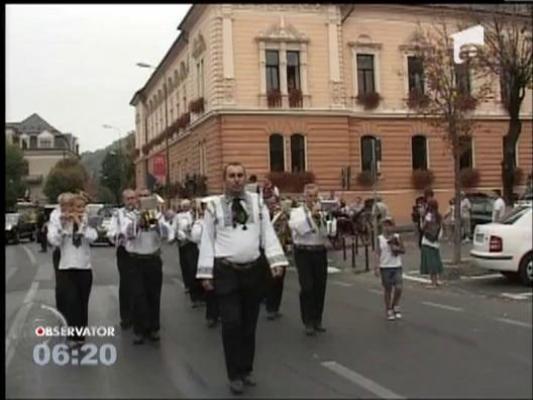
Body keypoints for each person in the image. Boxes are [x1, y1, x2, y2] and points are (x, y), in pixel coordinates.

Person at [196, 162, 288, 395]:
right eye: (232, 176)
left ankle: (246, 369)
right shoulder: (213, 207)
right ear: (224, 179)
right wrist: (205, 273)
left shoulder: (257, 204)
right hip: (226, 271)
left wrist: (276, 261)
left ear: (245, 179)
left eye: (240, 175)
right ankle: (234, 374)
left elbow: (267, 233)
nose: (236, 179)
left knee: (249, 323)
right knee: (231, 323)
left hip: (253, 270)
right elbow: (207, 239)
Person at [122, 189, 174, 345]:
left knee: (153, 295)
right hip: (135, 260)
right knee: (138, 295)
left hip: (153, 259)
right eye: (141, 196)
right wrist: (138, 223)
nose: (143, 199)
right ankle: (139, 330)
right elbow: (126, 235)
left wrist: (157, 224)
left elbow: (167, 235)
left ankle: (153, 328)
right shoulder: (129, 216)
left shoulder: (157, 215)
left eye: (146, 196)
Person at [47, 192, 97, 348]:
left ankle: (80, 336)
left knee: (82, 303)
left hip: (84, 267)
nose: (68, 210)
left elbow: (93, 237)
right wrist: (63, 227)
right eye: (65, 206)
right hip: (66, 267)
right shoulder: (57, 219)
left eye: (72, 206)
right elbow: (53, 240)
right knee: (71, 301)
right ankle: (71, 335)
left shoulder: (85, 219)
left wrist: (80, 224)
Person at [288, 183, 329, 336]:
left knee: (320, 286)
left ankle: (317, 318)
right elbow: (300, 230)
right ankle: (307, 321)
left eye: (315, 196)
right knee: (307, 287)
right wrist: (311, 216)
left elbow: (328, 232)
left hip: (319, 251)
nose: (313, 199)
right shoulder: (297, 212)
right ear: (304, 197)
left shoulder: (323, 211)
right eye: (310, 196)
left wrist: (322, 219)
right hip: (303, 251)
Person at [107, 189, 138, 330]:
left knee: (139, 285)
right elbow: (111, 232)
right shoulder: (118, 214)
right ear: (123, 200)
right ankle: (126, 317)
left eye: (133, 198)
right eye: (128, 198)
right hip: (124, 251)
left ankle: (139, 316)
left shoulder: (141, 213)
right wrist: (120, 235)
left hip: (140, 251)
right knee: (126, 284)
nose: (131, 201)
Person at [191, 199, 219, 327]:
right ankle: (211, 315)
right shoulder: (199, 223)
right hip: (206, 256)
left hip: (221, 256)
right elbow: (195, 237)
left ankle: (221, 313)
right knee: (210, 287)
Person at [174, 198, 204, 307]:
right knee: (191, 269)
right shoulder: (179, 217)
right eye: (184, 205)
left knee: (200, 269)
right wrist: (182, 236)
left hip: (199, 244)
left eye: (189, 205)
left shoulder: (197, 215)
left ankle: (202, 294)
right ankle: (194, 295)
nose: (187, 207)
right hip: (187, 244)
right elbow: (177, 229)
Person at [48, 192, 75, 313]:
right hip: (60, 252)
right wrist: (63, 226)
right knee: (62, 287)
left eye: (70, 204)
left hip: (75, 253)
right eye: (63, 204)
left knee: (75, 287)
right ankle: (62, 314)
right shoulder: (55, 214)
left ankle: (75, 316)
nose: (67, 207)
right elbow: (53, 239)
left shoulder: (79, 212)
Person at [374, 217, 405, 321]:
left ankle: (395, 304)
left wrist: (397, 248)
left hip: (396, 265)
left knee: (399, 287)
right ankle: (389, 309)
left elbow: (403, 249)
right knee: (388, 289)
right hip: (385, 266)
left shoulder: (397, 237)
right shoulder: (380, 239)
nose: (387, 227)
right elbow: (377, 253)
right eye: (385, 225)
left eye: (389, 225)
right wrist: (376, 267)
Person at [264, 200, 291, 320]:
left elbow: (285, 234)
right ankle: (271, 307)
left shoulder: (283, 218)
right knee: (272, 280)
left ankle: (274, 307)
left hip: (279, 250)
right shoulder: (274, 217)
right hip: (270, 250)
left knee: (278, 280)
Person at [420, 199, 444, 288]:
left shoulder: (429, 215)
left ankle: (433, 282)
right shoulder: (438, 216)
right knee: (436, 260)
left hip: (428, 240)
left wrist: (421, 217)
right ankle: (437, 280)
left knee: (431, 262)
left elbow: (423, 227)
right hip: (436, 240)